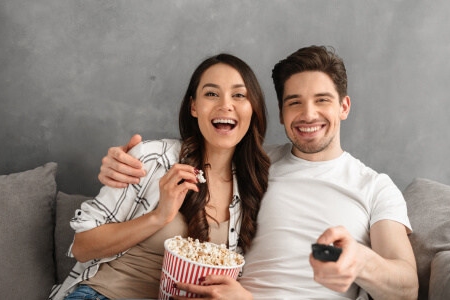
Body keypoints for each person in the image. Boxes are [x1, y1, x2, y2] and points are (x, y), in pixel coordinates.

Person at [98, 46, 419, 300]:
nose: (308, 114)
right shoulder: (253, 165)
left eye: (322, 100)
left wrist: (360, 261)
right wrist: (123, 166)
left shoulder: (375, 187)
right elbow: (182, 158)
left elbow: (407, 288)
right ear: (280, 113)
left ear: (344, 107)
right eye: (295, 103)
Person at [49, 53, 270, 300]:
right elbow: (82, 247)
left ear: (253, 108)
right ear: (194, 107)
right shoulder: (153, 158)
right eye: (211, 93)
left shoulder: (256, 184)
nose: (225, 105)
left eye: (239, 95)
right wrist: (159, 216)